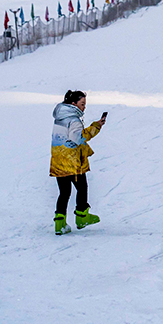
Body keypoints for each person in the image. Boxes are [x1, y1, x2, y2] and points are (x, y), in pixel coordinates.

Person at [50, 90, 105, 234]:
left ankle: (59, 224)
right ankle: (82, 217)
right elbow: (78, 139)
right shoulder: (73, 119)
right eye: (82, 104)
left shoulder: (60, 116)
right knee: (82, 188)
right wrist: (96, 127)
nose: (84, 107)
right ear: (73, 104)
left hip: (58, 159)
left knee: (64, 192)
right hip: (72, 162)